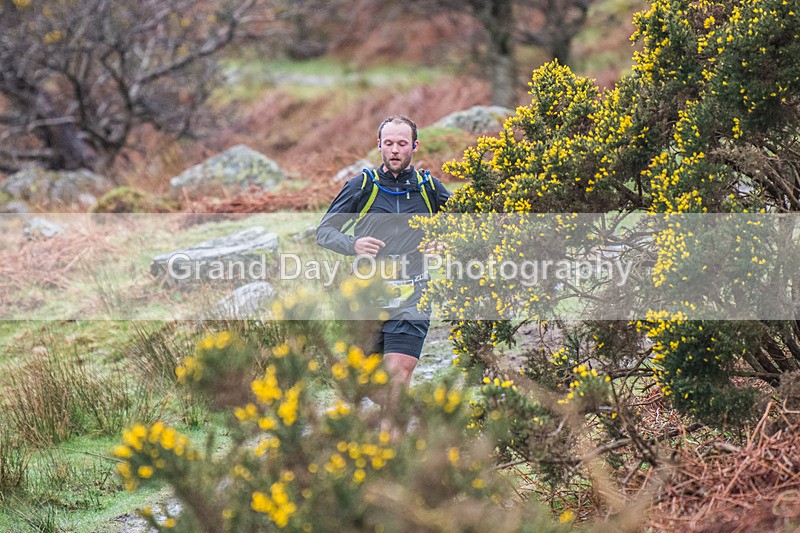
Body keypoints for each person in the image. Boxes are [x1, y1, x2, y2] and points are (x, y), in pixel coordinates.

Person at [316, 115, 450, 419]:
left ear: (414, 146)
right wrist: (353, 244)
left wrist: (446, 241)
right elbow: (324, 231)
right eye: (388, 143)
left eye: (402, 143)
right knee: (366, 381)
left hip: (413, 294)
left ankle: (393, 443)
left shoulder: (429, 188)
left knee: (398, 375)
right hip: (366, 295)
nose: (395, 149)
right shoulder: (362, 187)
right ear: (379, 145)